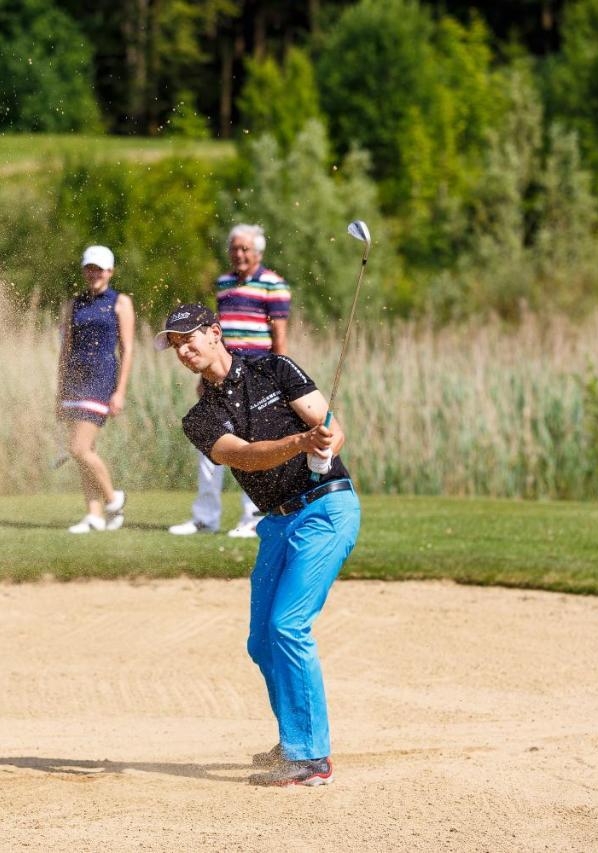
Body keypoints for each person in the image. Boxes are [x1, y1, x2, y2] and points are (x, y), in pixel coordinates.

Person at [155, 303, 360, 787]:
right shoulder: (201, 417)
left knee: (287, 625)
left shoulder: (274, 367)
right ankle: (295, 738)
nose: (184, 350)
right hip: (276, 524)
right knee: (262, 641)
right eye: (176, 344)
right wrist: (300, 442)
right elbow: (243, 457)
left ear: (214, 332)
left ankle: (311, 759)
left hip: (326, 509)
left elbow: (330, 427)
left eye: (189, 338)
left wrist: (327, 438)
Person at [168, 224, 291, 539]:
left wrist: (274, 379)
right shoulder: (223, 284)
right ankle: (204, 518)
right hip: (217, 376)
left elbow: (279, 339)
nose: (239, 254)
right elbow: (214, 335)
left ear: (258, 252)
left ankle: (252, 517)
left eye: (245, 249)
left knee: (253, 443)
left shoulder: (273, 285)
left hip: (255, 377)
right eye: (234, 248)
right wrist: (204, 377)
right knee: (210, 443)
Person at [57, 245, 134, 533]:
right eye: (90, 268)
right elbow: (65, 350)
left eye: (100, 269)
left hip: (101, 380)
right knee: (86, 449)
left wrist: (120, 391)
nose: (94, 274)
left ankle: (114, 500)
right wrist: (60, 390)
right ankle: (94, 515)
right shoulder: (73, 304)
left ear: (110, 272)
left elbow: (127, 350)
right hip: (74, 380)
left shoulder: (120, 302)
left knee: (77, 448)